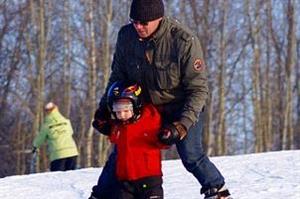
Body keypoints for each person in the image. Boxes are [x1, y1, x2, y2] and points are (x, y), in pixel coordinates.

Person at [90, 0, 232, 198]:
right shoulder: (126, 36)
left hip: (182, 107)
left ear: (158, 18)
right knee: (124, 149)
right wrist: (105, 109)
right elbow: (118, 77)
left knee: (190, 153)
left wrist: (181, 126)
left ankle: (217, 190)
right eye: (135, 21)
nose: (138, 26)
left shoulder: (183, 40)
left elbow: (198, 90)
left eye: (144, 22)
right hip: (147, 109)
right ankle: (101, 194)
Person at [100, 81, 167, 199]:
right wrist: (103, 126)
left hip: (149, 180)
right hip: (125, 182)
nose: (122, 115)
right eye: (117, 111)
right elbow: (114, 138)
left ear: (136, 106)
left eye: (126, 110)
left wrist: (166, 136)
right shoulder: (118, 125)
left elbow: (162, 142)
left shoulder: (150, 118)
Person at [32, 102, 79, 172]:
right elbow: (71, 132)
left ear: (47, 112)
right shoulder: (66, 121)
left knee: (57, 179)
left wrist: (35, 146)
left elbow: (40, 139)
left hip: (58, 155)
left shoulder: (46, 125)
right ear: (56, 109)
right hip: (72, 152)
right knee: (71, 178)